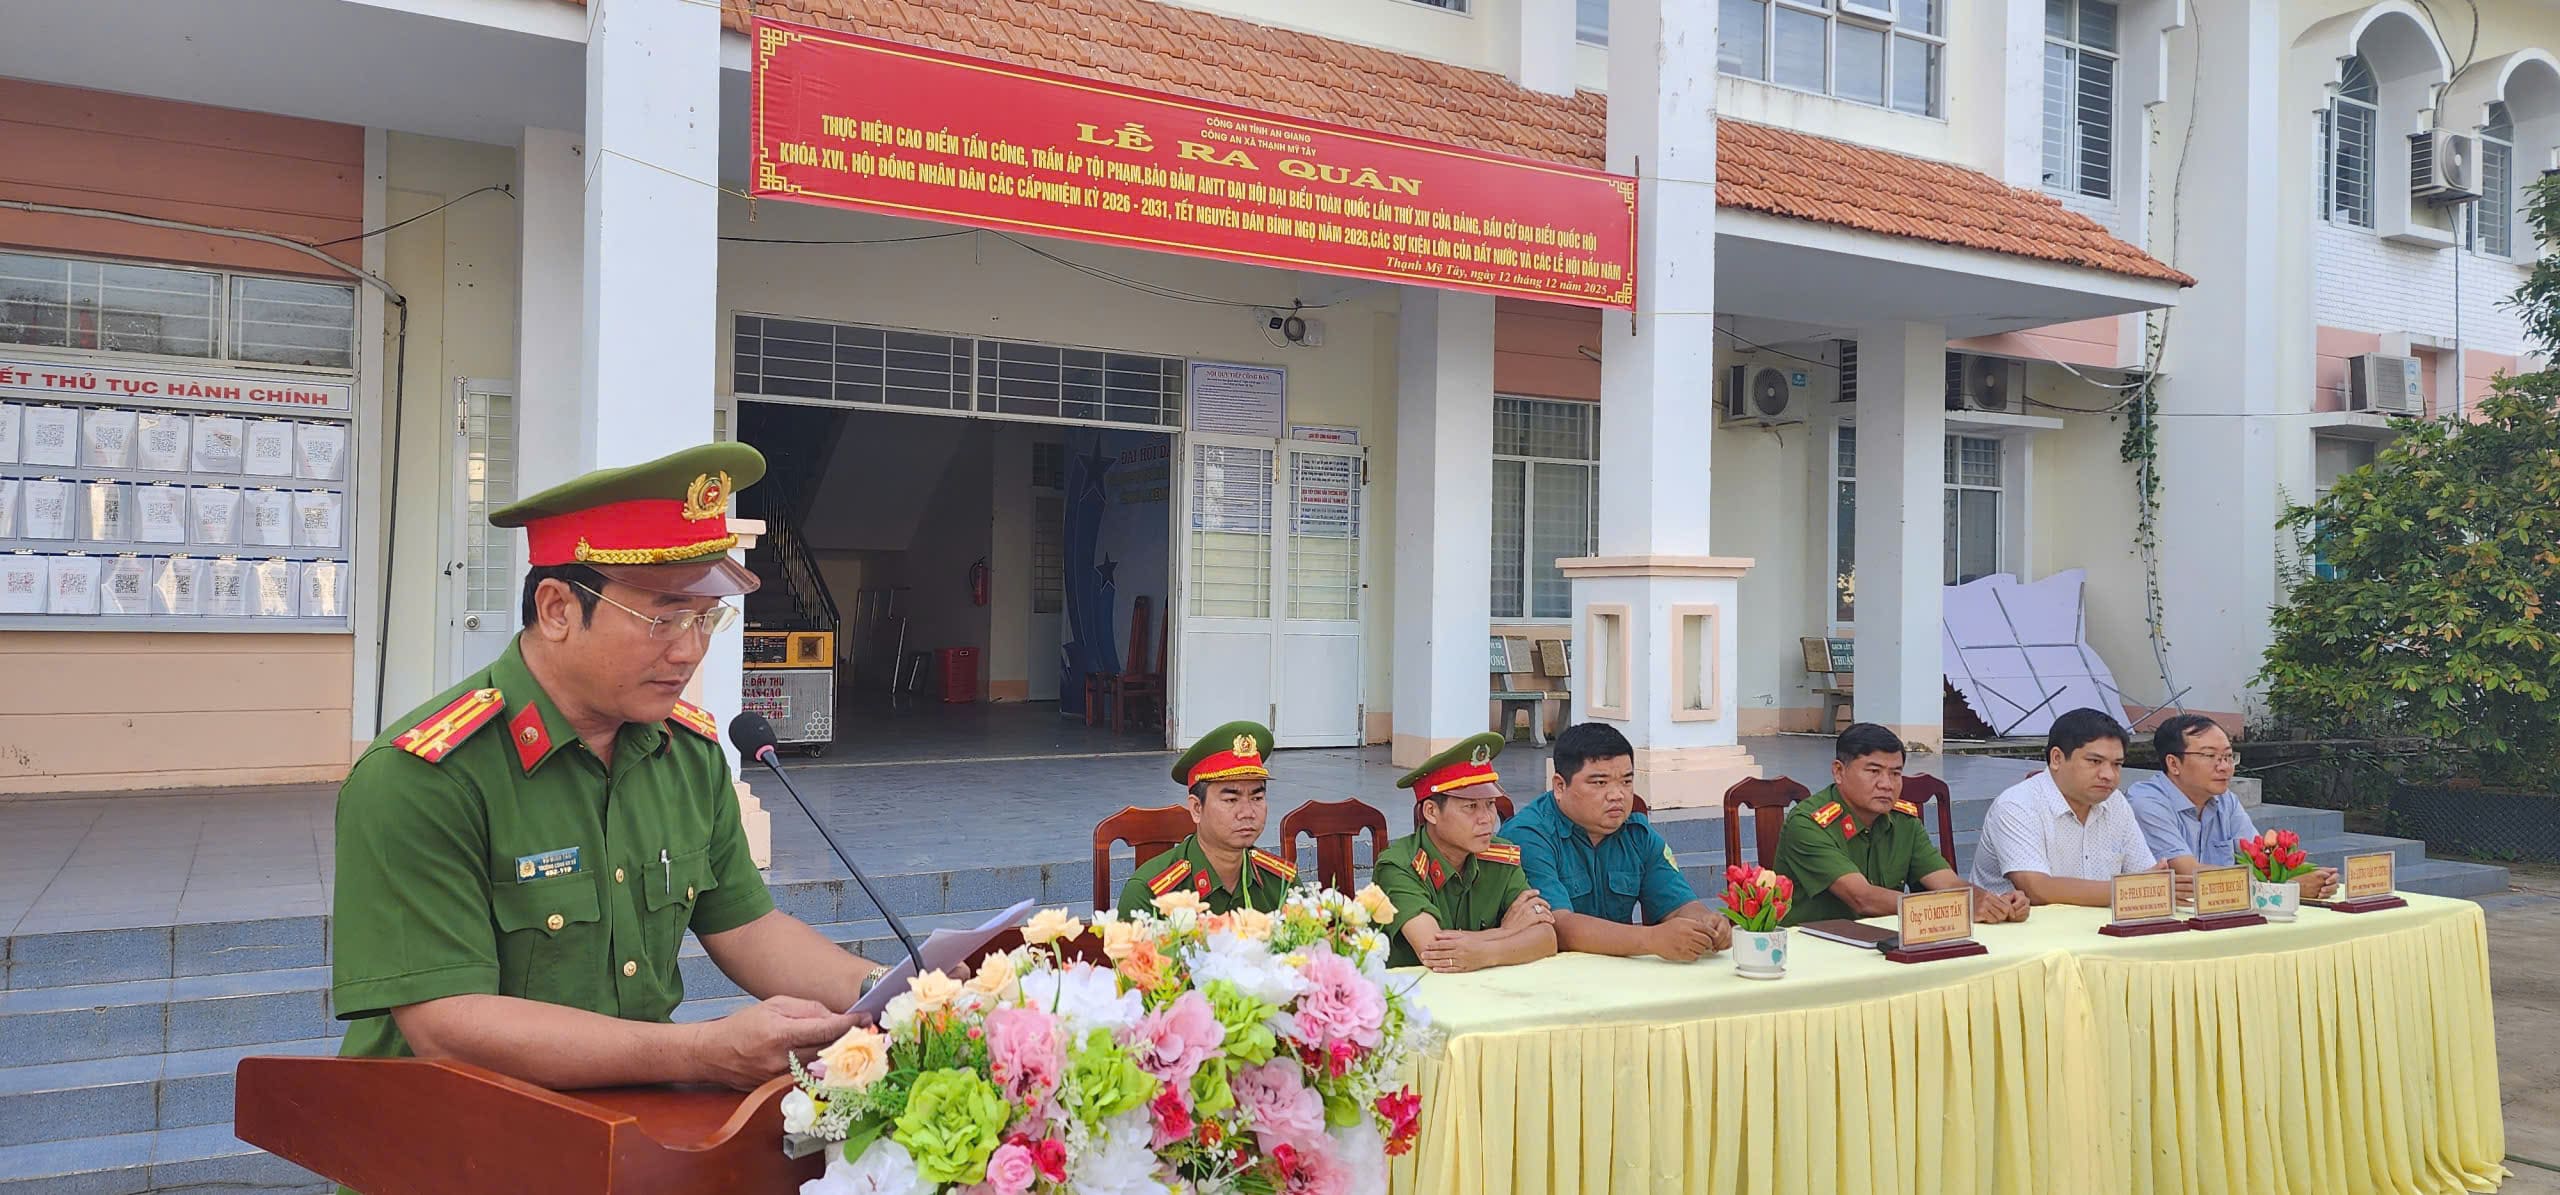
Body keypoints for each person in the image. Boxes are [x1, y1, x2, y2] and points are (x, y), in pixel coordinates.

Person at [332, 443, 886, 1096]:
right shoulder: (424, 778)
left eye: (704, 617)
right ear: (558, 609)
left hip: (634, 1121)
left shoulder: (686, 753)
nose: (690, 650)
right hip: (457, 1131)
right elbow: (447, 1023)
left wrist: (896, 992)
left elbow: (747, 928)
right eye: (663, 617)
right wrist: (699, 1052)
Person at [1500, 722, 1731, 961]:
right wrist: (1651, 939)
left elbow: (1679, 905)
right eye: (1600, 783)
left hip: (1623, 970)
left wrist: (1706, 923)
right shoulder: (1529, 835)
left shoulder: (1637, 833)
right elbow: (1559, 927)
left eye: (1626, 782)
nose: (1617, 795)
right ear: (1560, 786)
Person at [1774, 723, 2031, 926]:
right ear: (1839, 771)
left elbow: (1949, 884)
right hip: (1814, 948)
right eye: (1873, 771)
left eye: (1895, 773)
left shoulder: (1904, 820)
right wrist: (1954, 907)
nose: (1887, 784)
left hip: (1884, 940)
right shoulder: (1808, 824)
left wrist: (1992, 902)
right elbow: (1862, 898)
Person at [1373, 732, 1557, 972]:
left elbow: (1546, 937)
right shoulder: (1399, 866)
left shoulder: (1501, 858)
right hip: (1415, 991)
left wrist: (1481, 952)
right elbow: (1434, 952)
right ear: (1431, 812)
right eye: (1471, 807)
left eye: (1490, 804)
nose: (1487, 819)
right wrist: (1507, 932)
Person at [1966, 708, 2182, 907]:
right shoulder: (2017, 805)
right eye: (2094, 761)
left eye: (2117, 764)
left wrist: (2149, 886)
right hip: (2022, 931)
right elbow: (2037, 889)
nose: (2108, 775)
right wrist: (2132, 890)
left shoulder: (2115, 802)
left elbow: (2147, 877)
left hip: (2100, 927)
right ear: (2057, 758)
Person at [2127, 715, 2337, 899]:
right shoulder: (2147, 802)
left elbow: (2262, 862)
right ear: (2173, 764)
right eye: (2210, 756)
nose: (2224, 767)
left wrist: (2312, 878)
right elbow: (2188, 874)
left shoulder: (2226, 800)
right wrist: (2287, 886)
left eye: (2228, 756)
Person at [1118, 721, 1296, 913]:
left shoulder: (1282, 883)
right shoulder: (1150, 895)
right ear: (1196, 808)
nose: (1247, 813)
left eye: (1257, 798)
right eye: (1231, 800)